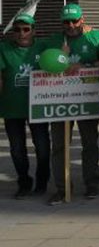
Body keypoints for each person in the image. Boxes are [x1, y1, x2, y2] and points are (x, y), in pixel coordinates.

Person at [45, 4, 99, 204]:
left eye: (74, 21)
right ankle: (62, 188)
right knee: (59, 145)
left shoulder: (95, 37)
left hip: (86, 97)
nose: (71, 25)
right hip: (61, 100)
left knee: (89, 143)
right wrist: (61, 57)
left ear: (82, 19)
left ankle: (92, 183)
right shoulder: (55, 41)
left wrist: (84, 65)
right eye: (66, 22)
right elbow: (43, 66)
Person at [0, 14, 50, 199]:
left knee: (43, 147)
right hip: (12, 107)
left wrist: (88, 30)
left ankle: (42, 181)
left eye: (26, 29)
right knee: (17, 149)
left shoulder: (43, 46)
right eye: (17, 29)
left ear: (34, 31)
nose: (22, 33)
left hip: (37, 107)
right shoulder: (4, 49)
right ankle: (24, 182)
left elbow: (65, 39)